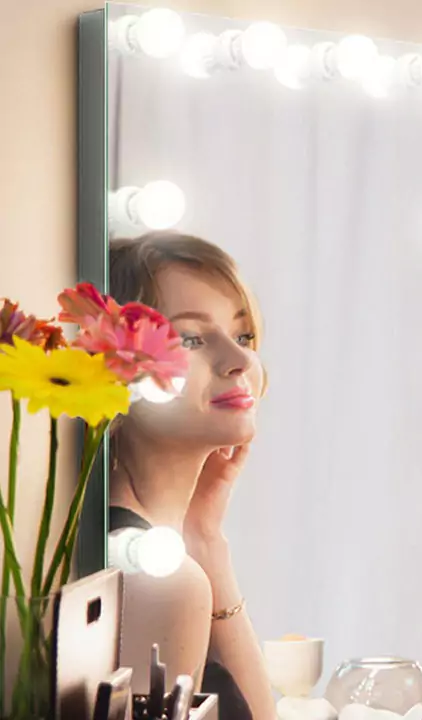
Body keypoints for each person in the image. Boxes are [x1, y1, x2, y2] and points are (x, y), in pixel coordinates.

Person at [106, 232, 273, 720]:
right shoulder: (157, 580)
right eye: (191, 339)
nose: (240, 360)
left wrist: (205, 536)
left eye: (243, 336)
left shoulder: (172, 563)